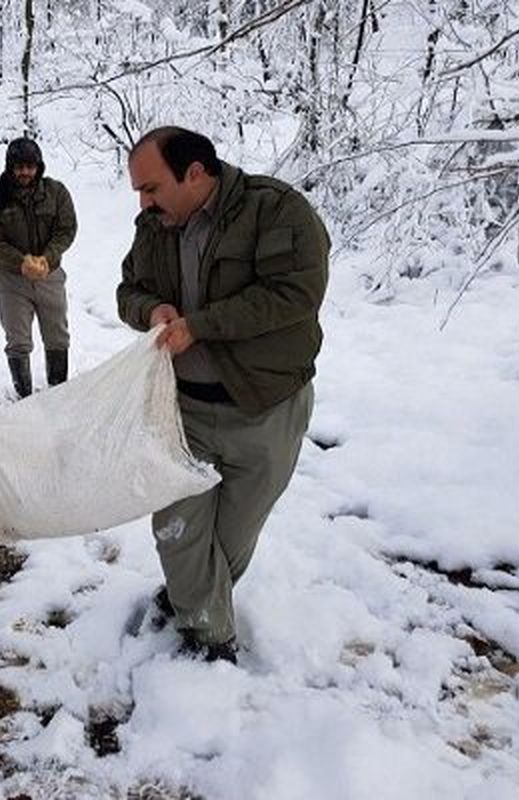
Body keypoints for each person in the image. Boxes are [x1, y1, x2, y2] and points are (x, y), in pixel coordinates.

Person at [117, 126, 329, 663]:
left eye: (151, 188)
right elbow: (129, 289)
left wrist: (202, 325)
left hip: (265, 407)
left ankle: (190, 598)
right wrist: (151, 311)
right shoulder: (154, 226)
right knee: (177, 525)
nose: (143, 203)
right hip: (181, 406)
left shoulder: (278, 212)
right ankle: (210, 642)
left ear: (194, 174)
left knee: (232, 536)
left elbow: (295, 294)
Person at [0, 136, 78, 398]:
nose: (25, 172)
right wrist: (21, 262)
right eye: (19, 167)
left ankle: (57, 393)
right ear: (9, 167)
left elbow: (66, 229)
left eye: (30, 166)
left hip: (50, 275)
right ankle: (24, 397)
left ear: (39, 167)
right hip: (12, 280)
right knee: (18, 342)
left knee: (57, 336)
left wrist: (48, 258)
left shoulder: (57, 193)